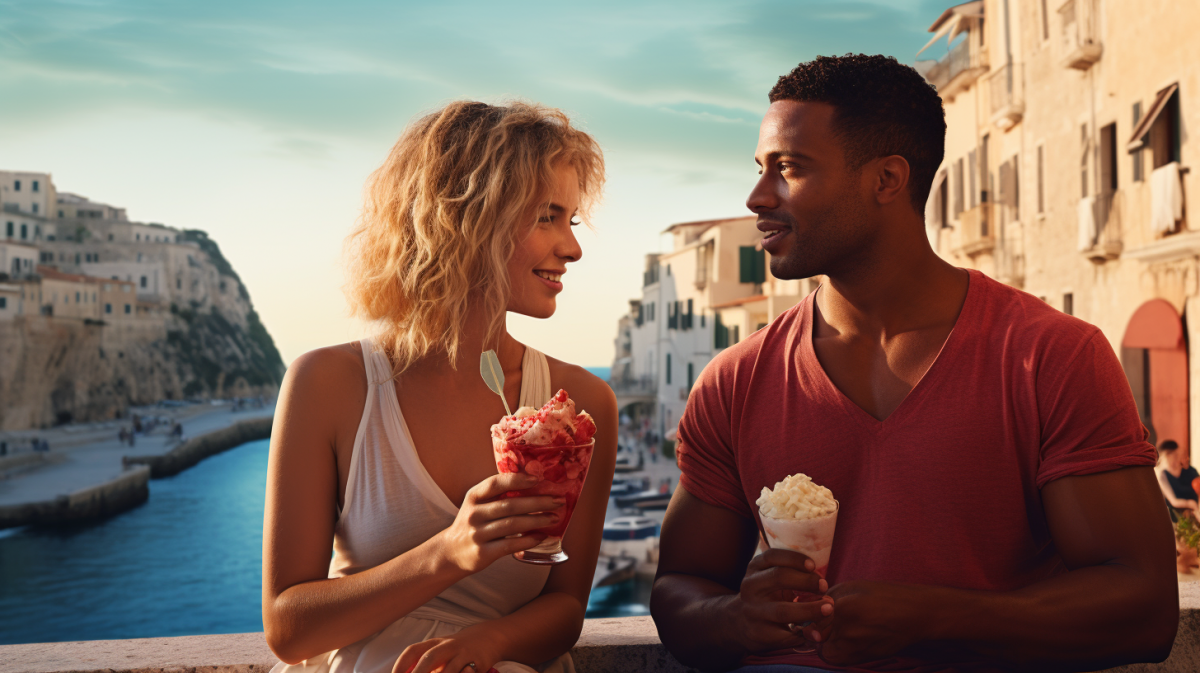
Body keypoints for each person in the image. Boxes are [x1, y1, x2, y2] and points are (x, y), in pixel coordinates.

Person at [650, 55, 1177, 672]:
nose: (758, 196)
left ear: (887, 179)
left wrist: (934, 620)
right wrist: (735, 618)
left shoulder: (1049, 357)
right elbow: (680, 587)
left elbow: (1143, 609)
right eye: (762, 169)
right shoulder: (736, 379)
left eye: (789, 168)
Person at [262, 101, 617, 673]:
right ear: (466, 218)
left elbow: (566, 605)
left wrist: (491, 644)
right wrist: (447, 554)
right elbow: (288, 630)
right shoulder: (328, 385)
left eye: (570, 221)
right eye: (547, 217)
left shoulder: (581, 407)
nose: (572, 247)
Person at [1155, 440, 1198, 518]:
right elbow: (1174, 501)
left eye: (1176, 455)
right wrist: (1191, 504)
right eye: (1169, 455)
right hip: (1178, 517)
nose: (1174, 458)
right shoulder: (1162, 475)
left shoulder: (1191, 471)